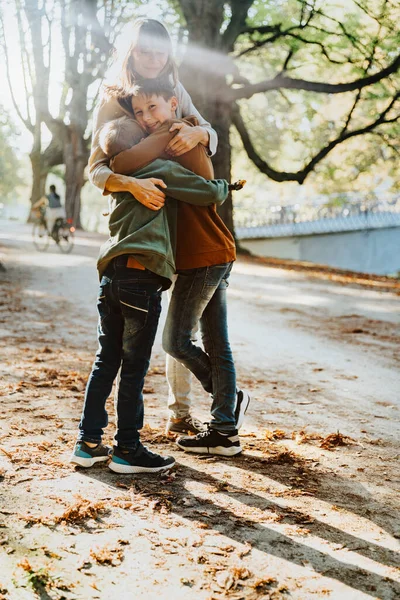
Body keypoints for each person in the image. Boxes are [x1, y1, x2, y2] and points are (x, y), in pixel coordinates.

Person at [70, 91, 233, 473]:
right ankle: (127, 448)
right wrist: (229, 187)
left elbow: (105, 170)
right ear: (142, 145)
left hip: (109, 275)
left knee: (104, 360)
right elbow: (208, 192)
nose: (147, 120)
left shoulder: (119, 177)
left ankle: (87, 442)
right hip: (141, 279)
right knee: (134, 365)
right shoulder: (158, 168)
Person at [104, 79, 250, 456]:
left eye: (153, 108)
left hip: (204, 256)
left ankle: (226, 401)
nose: (146, 117)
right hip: (211, 253)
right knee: (217, 342)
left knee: (175, 340)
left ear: (172, 103)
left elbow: (122, 162)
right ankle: (224, 430)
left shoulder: (175, 139)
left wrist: (175, 132)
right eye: (138, 113)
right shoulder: (180, 138)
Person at [88, 18, 218, 435]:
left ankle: (180, 413)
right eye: (146, 51)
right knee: (131, 344)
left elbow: (208, 131)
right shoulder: (113, 99)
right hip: (141, 224)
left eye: (161, 52)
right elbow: (96, 170)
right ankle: (123, 435)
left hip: (184, 215)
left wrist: (198, 136)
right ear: (130, 52)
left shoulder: (175, 90)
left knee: (182, 321)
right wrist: (133, 184)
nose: (154, 59)